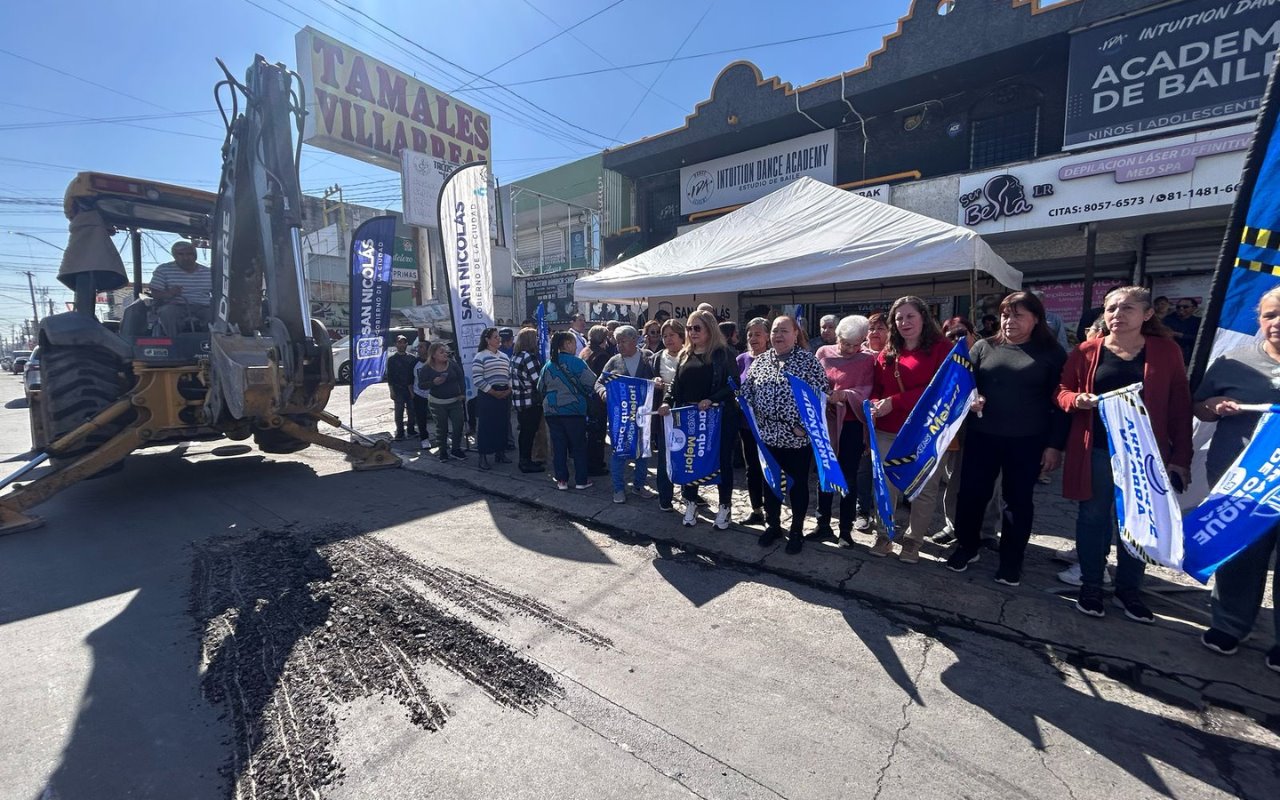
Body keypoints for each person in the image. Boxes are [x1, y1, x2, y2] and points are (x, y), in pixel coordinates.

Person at [1057, 286, 1192, 622]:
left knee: (1138, 521)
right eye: (1111, 308)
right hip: (1099, 450)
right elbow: (1062, 391)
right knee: (1093, 518)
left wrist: (1181, 458)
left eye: (1127, 308)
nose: (1117, 314)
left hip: (1145, 454)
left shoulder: (1166, 351)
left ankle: (1129, 589)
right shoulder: (1087, 351)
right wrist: (1076, 400)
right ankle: (1091, 584)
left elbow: (1179, 405)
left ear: (1147, 314)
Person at [943, 292, 1069, 585]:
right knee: (971, 495)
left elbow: (1060, 403)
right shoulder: (985, 347)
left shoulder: (1052, 353)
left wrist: (1055, 445)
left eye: (1018, 315)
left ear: (1036, 318)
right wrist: (972, 400)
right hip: (982, 436)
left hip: (1028, 440)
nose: (1010, 321)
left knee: (1018, 502)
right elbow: (962, 387)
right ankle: (967, 546)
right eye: (1005, 315)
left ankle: (1012, 561)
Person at [1193, 285, 1280, 672]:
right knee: (1240, 554)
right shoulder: (1234, 361)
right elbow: (1200, 406)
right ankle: (1230, 624)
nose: (1276, 323)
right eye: (1269, 316)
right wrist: (1212, 406)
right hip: (1243, 481)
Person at [869, 296, 953, 562]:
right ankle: (884, 535)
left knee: (925, 489)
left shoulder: (942, 349)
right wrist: (873, 405)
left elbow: (942, 390)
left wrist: (895, 401)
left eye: (910, 316)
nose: (904, 322)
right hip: (887, 431)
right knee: (886, 486)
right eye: (899, 318)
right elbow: (877, 391)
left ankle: (913, 540)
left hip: (927, 432)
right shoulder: (887, 352)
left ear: (923, 318)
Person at [741, 315, 831, 553]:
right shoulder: (761, 362)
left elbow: (821, 395)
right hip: (768, 436)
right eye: (775, 331)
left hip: (796, 437)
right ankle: (773, 526)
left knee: (798, 486)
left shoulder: (808, 361)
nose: (778, 335)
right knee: (770, 484)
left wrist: (805, 425)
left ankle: (797, 531)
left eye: (784, 331)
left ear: (795, 334)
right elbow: (747, 391)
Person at [657, 310, 737, 529]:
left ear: (710, 329)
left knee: (722, 462)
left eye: (697, 328)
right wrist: (667, 401)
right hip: (690, 419)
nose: (692, 332)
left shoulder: (723, 354)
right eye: (689, 328)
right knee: (690, 459)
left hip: (718, 419)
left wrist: (711, 399)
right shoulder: (684, 354)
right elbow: (675, 384)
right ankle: (691, 502)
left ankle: (724, 506)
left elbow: (733, 384)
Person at [813, 315, 874, 548]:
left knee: (848, 475)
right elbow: (814, 382)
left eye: (855, 344)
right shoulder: (823, 353)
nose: (849, 349)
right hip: (826, 422)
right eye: (845, 343)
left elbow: (867, 389)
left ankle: (845, 530)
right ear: (836, 337)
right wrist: (826, 395)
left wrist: (846, 395)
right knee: (825, 473)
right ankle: (822, 524)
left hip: (851, 424)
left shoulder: (867, 359)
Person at [595, 325, 657, 503]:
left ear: (634, 340)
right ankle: (618, 489)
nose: (619, 345)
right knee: (619, 453)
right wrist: (604, 393)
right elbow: (599, 382)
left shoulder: (648, 358)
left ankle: (639, 486)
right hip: (621, 418)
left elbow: (657, 380)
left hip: (643, 415)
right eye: (617, 342)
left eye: (623, 341)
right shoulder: (614, 361)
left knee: (643, 453)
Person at [539, 331, 598, 491]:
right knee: (578, 446)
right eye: (573, 343)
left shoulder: (548, 365)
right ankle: (581, 480)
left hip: (552, 410)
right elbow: (592, 382)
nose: (575, 346)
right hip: (573, 410)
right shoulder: (576, 363)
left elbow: (540, 387)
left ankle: (562, 480)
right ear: (566, 344)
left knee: (558, 446)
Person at [853, 312, 890, 532]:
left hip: (888, 419)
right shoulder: (859, 354)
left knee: (886, 469)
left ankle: (885, 510)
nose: (875, 333)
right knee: (864, 468)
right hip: (862, 420)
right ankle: (862, 510)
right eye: (872, 328)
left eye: (881, 328)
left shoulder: (894, 354)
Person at [735, 317, 770, 525]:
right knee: (752, 468)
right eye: (750, 334)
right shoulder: (741, 360)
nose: (753, 338)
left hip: (769, 426)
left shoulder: (774, 359)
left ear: (767, 336)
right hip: (747, 425)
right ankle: (756, 509)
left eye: (758, 334)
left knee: (769, 467)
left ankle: (771, 510)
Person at [652, 319, 686, 512]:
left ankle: (690, 494)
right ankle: (665, 497)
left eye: (671, 335)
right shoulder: (657, 357)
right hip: (665, 414)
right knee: (665, 456)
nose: (667, 339)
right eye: (664, 336)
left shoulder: (691, 355)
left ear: (681, 336)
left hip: (685, 413)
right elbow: (648, 381)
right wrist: (653, 381)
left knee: (686, 454)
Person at [148, 240, 212, 335]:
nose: (185, 257)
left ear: (195, 255)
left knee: (215, 315)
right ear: (174, 256)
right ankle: (174, 341)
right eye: (180, 254)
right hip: (176, 306)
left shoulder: (208, 272)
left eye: (189, 254)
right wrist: (169, 294)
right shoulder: (163, 269)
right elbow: (155, 293)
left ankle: (212, 343)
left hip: (203, 306)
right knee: (167, 312)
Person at [471, 328, 512, 471]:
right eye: (495, 337)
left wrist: (508, 389)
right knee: (486, 426)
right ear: (487, 340)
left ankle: (500, 453)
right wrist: (492, 392)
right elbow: (477, 379)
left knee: (502, 424)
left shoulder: (504, 357)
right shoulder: (480, 356)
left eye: (498, 337)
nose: (498, 339)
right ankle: (482, 457)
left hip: (504, 394)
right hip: (488, 395)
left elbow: (510, 375)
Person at [418, 342, 466, 460]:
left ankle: (456, 449)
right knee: (442, 427)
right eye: (441, 352)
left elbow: (461, 378)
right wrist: (433, 383)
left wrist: (462, 393)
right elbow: (421, 385)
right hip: (437, 403)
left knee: (458, 425)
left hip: (455, 401)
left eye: (445, 351)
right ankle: (443, 450)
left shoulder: (452, 364)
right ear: (433, 355)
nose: (445, 354)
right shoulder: (426, 368)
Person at [510, 327, 545, 473]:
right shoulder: (528, 357)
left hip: (519, 400)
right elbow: (538, 381)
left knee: (525, 431)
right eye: (536, 337)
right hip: (530, 400)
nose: (538, 340)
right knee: (529, 432)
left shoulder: (515, 356)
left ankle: (525, 460)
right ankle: (525, 462)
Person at [580, 325, 613, 476]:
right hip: (597, 400)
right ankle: (595, 465)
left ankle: (590, 462)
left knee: (590, 433)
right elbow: (603, 380)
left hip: (585, 397)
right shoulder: (601, 355)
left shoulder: (585, 351)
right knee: (597, 433)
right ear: (603, 339)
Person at [384, 335, 419, 441]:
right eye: (399, 342)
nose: (402, 345)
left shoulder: (412, 358)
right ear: (396, 344)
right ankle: (400, 432)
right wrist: (391, 391)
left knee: (412, 411)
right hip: (398, 389)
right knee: (399, 412)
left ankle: (411, 430)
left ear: (406, 344)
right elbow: (390, 377)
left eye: (404, 342)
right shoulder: (392, 360)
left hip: (410, 389)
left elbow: (415, 375)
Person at [409, 342, 434, 449]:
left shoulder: (434, 362)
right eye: (418, 347)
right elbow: (409, 379)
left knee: (438, 417)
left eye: (421, 347)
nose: (418, 348)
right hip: (419, 394)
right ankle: (424, 439)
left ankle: (442, 436)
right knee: (421, 418)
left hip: (434, 394)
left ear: (428, 349)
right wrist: (412, 394)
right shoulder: (414, 363)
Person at [1163, 297, 1201, 364]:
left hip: (1190, 358)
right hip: (1169, 356)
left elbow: (1200, 338)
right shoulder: (1167, 320)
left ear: (1194, 308)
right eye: (1178, 307)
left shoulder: (1199, 322)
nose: (1181, 309)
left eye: (1185, 307)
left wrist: (1181, 335)